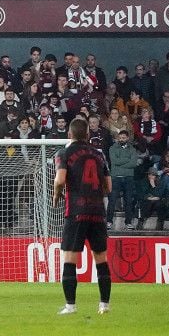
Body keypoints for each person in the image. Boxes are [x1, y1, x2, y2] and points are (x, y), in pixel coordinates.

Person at [54, 118, 113, 315]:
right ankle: (104, 305)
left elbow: (60, 179)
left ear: (69, 134)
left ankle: (70, 305)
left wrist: (56, 194)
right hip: (98, 212)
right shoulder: (99, 154)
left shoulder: (65, 153)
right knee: (101, 259)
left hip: (77, 211)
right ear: (88, 134)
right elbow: (109, 187)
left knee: (70, 258)